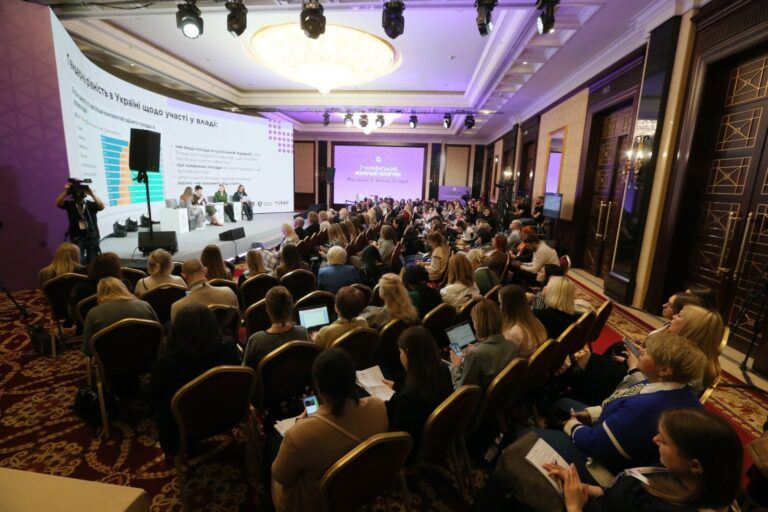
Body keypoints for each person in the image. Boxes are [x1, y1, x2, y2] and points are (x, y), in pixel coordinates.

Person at [547, 334, 706, 485]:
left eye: (648, 351)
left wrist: (572, 424)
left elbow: (596, 445)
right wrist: (591, 414)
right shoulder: (675, 388)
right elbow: (623, 404)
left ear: (665, 370)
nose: (641, 351)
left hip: (604, 470)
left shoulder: (644, 408)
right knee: (560, 404)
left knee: (534, 437)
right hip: (611, 438)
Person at [271, 348, 388, 512]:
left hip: (320, 503)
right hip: (364, 486)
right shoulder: (379, 407)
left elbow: (280, 475)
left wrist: (300, 426)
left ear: (318, 387)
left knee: (273, 445)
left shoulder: (299, 435)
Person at [150, 303, 241, 456]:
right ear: (213, 325)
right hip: (227, 415)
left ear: (176, 331)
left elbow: (154, 400)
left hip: (182, 428)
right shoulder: (229, 348)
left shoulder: (164, 366)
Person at [385, 326, 452, 456]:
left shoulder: (407, 399)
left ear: (408, 354)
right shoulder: (443, 370)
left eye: (400, 352)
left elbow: (396, 438)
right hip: (439, 437)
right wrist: (397, 387)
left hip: (411, 451)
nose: (400, 356)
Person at [81, 277, 158, 356]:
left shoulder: (94, 313)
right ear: (124, 289)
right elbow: (159, 334)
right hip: (147, 357)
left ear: (100, 293)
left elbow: (87, 350)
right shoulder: (145, 305)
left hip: (111, 361)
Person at [450, 299, 517, 389]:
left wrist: (456, 366)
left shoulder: (475, 354)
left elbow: (462, 390)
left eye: (473, 321)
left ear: (478, 324)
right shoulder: (512, 346)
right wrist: (477, 350)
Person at [243, 286, 309, 371]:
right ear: (291, 307)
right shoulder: (303, 332)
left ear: (268, 310)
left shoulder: (255, 341)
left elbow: (248, 372)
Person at [667, 305, 724, 389]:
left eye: (679, 315)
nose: (673, 316)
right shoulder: (695, 357)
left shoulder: (684, 364)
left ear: (690, 326)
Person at [170, 258, 238, 323]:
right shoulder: (229, 292)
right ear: (205, 270)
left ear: (183, 275)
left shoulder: (177, 307)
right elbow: (237, 318)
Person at [56, 179, 105, 264]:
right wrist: (66, 192)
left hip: (92, 236)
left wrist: (91, 193)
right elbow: (58, 202)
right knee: (78, 261)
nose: (79, 194)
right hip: (77, 236)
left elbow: (101, 206)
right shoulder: (70, 204)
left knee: (92, 261)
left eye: (82, 192)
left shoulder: (90, 204)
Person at [69, 252, 128, 323]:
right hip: (120, 326)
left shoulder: (80, 288)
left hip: (86, 326)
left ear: (93, 267)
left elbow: (72, 314)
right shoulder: (125, 285)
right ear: (118, 268)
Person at [499, 285, 548, 358]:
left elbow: (503, 359)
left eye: (501, 303)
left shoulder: (513, 334)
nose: (500, 307)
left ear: (508, 306)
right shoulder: (536, 322)